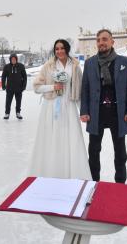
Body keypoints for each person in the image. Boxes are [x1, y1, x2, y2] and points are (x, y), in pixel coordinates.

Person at [29, 39, 91, 180]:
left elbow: (79, 91)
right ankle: (52, 173)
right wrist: (52, 87)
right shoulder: (48, 66)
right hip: (51, 108)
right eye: (57, 49)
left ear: (67, 49)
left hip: (69, 107)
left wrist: (83, 112)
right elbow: (37, 87)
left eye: (62, 48)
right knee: (52, 140)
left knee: (72, 139)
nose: (59, 51)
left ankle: (73, 174)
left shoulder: (75, 66)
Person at [80, 29, 127, 184]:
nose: (101, 42)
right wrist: (84, 111)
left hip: (118, 113)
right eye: (98, 40)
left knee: (120, 152)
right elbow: (85, 89)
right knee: (94, 150)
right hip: (96, 113)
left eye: (104, 39)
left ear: (112, 41)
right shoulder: (90, 63)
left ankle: (120, 183)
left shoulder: (124, 62)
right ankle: (93, 182)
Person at [1, 54, 27, 120]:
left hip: (19, 88)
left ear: (16, 59)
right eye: (12, 59)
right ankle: (7, 113)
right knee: (8, 102)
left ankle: (18, 113)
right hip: (9, 88)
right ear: (10, 60)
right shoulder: (6, 67)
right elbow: (3, 77)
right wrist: (3, 85)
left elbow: (25, 77)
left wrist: (23, 86)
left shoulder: (21, 66)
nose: (13, 60)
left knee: (18, 101)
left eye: (14, 59)